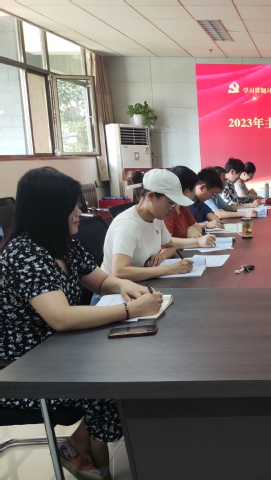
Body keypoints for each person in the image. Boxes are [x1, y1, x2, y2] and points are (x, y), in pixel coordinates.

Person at [0, 167, 163, 480]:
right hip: (26, 365)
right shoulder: (24, 253)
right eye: (72, 207)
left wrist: (127, 288)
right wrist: (130, 309)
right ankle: (88, 454)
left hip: (63, 349)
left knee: (130, 368)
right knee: (113, 384)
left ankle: (79, 447)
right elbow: (60, 318)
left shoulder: (63, 244)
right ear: (49, 211)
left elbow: (100, 281)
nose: (80, 212)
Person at [101, 168, 195, 281]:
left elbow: (170, 247)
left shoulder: (157, 218)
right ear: (151, 196)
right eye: (170, 204)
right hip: (116, 288)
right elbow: (119, 272)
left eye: (175, 205)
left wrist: (161, 256)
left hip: (140, 282)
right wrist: (170, 269)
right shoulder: (128, 224)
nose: (173, 209)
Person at [164, 166, 217, 247]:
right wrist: (198, 242)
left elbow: (196, 226)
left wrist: (190, 228)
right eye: (194, 188)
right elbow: (166, 242)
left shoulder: (182, 206)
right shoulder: (168, 210)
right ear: (186, 191)